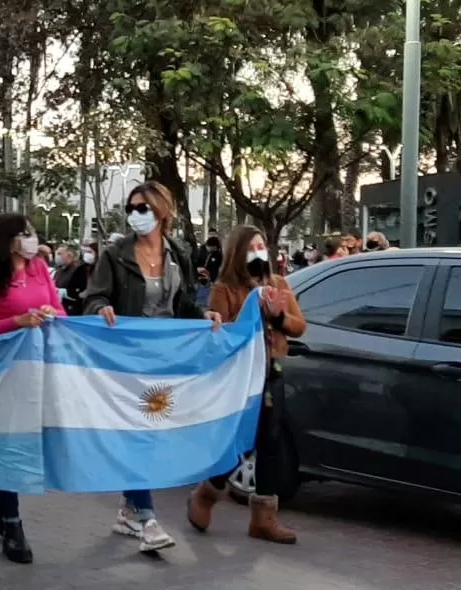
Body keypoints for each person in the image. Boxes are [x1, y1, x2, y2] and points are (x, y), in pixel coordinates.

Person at [81, 181, 222, 553]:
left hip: (167, 357)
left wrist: (204, 314)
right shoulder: (115, 254)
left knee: (151, 432)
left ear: (162, 211)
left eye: (142, 207)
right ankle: (147, 518)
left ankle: (129, 510)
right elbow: (94, 296)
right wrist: (100, 308)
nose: (135, 215)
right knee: (137, 433)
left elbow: (185, 301)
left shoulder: (179, 252)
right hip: (126, 358)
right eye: (131, 208)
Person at [188, 225, 305, 543]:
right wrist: (250, 314)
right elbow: (220, 333)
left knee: (271, 442)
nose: (258, 251)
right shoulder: (225, 288)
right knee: (241, 442)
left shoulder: (278, 283)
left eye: (261, 245)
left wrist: (278, 316)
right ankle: (207, 493)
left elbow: (299, 326)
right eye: (251, 246)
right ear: (238, 252)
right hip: (241, 378)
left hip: (272, 373)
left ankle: (264, 518)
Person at [0, 213, 65, 564]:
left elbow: (59, 308)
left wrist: (52, 314)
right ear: (7, 239)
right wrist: (17, 322)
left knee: (28, 440)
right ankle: (12, 524)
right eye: (23, 233)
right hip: (1, 372)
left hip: (37, 371)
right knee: (8, 444)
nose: (31, 239)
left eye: (32, 232)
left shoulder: (39, 268)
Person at [54, 244, 92, 315]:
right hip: (60, 309)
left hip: (72, 310)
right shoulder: (59, 270)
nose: (57, 256)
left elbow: (80, 291)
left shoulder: (77, 270)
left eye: (60, 254)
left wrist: (65, 292)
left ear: (69, 255)